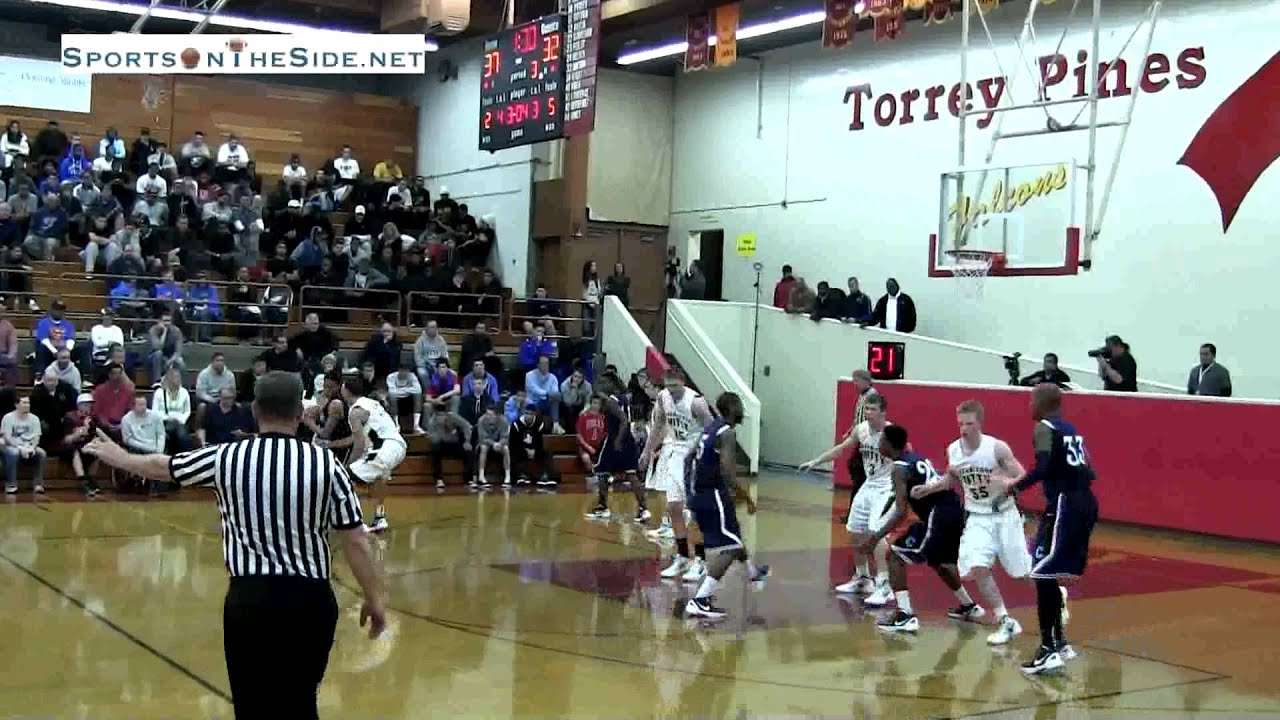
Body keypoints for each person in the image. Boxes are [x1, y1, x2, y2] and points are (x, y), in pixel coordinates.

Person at [83, 371, 387, 720]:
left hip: (251, 600)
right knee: (300, 702)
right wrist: (374, 598)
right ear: (299, 413)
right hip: (311, 601)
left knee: (252, 706)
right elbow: (356, 539)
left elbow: (164, 466)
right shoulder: (325, 464)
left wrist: (119, 456)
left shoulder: (228, 457)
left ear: (255, 410)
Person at [912, 399, 1031, 645]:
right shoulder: (954, 450)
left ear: (979, 423)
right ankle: (1005, 620)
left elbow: (1021, 475)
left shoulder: (996, 448)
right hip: (977, 516)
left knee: (1021, 572)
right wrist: (928, 489)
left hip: (1005, 515)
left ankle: (1053, 591)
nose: (964, 428)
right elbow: (951, 479)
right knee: (979, 568)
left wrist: (1007, 483)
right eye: (960, 423)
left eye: (969, 423)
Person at [1001, 383, 1100, 674]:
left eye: (1031, 399)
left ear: (1042, 403)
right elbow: (1089, 470)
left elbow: (1043, 467)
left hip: (1065, 504)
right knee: (1049, 574)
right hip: (1085, 502)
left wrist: (1014, 485)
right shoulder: (1071, 429)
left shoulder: (1044, 427)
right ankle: (1059, 644)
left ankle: (1047, 649)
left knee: (1042, 572)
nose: (1029, 405)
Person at [870, 425, 978, 633]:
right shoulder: (914, 457)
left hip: (939, 515)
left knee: (895, 556)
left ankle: (905, 615)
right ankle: (968, 605)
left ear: (889, 445)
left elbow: (901, 511)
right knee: (938, 561)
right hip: (952, 511)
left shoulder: (899, 468)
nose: (879, 444)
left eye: (882, 440)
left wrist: (875, 537)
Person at [800, 393, 895, 603]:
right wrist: (816, 461)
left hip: (887, 487)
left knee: (877, 534)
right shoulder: (861, 429)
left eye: (872, 410)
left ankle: (884, 585)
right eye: (867, 409)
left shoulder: (891, 432)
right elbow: (842, 449)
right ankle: (863, 578)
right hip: (869, 485)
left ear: (882, 412)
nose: (868, 413)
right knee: (854, 530)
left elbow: (909, 457)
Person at [683, 392, 770, 618]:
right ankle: (700, 599)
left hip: (700, 493)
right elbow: (728, 472)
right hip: (712, 494)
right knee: (730, 547)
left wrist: (690, 493)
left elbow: (688, 458)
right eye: (740, 405)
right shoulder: (727, 433)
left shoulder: (710, 428)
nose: (742, 410)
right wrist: (747, 497)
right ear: (731, 407)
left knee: (734, 534)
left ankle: (752, 571)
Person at [640, 368, 714, 580]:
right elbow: (658, 426)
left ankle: (700, 560)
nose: (671, 390)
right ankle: (682, 556)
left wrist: (708, 461)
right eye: (667, 386)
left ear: (683, 383)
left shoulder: (696, 402)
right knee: (673, 508)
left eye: (674, 386)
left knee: (695, 511)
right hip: (676, 452)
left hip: (694, 456)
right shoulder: (663, 397)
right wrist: (647, 451)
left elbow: (713, 432)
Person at [343, 378, 408, 533]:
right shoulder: (371, 402)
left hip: (384, 447)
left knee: (347, 476)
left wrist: (346, 465)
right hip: (398, 445)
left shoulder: (355, 412)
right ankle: (380, 517)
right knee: (380, 478)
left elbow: (358, 445)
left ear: (345, 391)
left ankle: (356, 522)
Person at [584, 393, 647, 522]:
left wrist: (618, 440)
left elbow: (624, 420)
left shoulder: (610, 403)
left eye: (596, 403)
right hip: (625, 440)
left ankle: (603, 507)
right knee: (629, 474)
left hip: (617, 440)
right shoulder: (615, 401)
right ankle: (643, 509)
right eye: (593, 403)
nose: (594, 406)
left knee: (602, 471)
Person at [2, 396, 47, 494]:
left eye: (28, 403)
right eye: (24, 403)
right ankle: (11, 484)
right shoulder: (8, 417)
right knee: (13, 453)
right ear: (17, 405)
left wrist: (32, 447)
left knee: (41, 453)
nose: (27, 405)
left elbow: (36, 437)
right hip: (12, 445)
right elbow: (7, 437)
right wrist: (20, 448)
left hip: (29, 446)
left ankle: (38, 484)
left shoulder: (35, 418)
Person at [306, 372, 354, 461]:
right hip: (329, 448)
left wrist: (309, 421)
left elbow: (325, 434)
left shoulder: (336, 404)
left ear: (339, 386)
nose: (326, 390)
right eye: (325, 387)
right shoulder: (327, 401)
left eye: (330, 387)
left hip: (338, 450)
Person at [61, 393, 100, 497]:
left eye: (90, 405)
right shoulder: (69, 417)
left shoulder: (93, 418)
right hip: (69, 447)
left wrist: (95, 440)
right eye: (86, 404)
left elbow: (95, 435)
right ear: (79, 405)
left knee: (98, 449)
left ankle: (91, 479)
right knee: (74, 450)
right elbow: (67, 439)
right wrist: (83, 430)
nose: (89, 407)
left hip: (85, 446)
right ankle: (82, 481)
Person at [424, 408, 473, 489]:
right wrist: (445, 432)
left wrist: (467, 441)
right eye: (439, 416)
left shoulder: (453, 417)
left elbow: (467, 426)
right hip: (441, 444)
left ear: (446, 414)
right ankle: (439, 479)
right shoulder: (432, 422)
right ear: (436, 416)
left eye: (443, 415)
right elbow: (433, 439)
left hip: (455, 444)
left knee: (469, 451)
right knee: (435, 450)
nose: (441, 418)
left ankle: (469, 480)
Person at [509, 402, 551, 485]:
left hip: (535, 449)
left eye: (530, 414)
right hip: (521, 448)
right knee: (512, 452)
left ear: (534, 414)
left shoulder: (540, 424)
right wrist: (526, 450)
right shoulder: (516, 424)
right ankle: (520, 476)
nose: (528, 416)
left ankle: (543, 475)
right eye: (526, 413)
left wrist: (534, 450)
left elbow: (540, 441)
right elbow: (513, 442)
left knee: (547, 451)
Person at [152, 366, 193, 453]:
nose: (178, 379)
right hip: (164, 422)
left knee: (183, 435)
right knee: (173, 430)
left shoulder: (184, 392)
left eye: (179, 377)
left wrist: (181, 419)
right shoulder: (159, 393)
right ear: (168, 379)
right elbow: (154, 412)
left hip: (180, 422)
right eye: (175, 377)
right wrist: (168, 418)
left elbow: (187, 411)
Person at [524, 355, 563, 433]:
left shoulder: (553, 377)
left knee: (556, 399)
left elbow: (555, 392)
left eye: (547, 363)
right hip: (534, 402)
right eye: (543, 363)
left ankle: (556, 425)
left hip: (547, 402)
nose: (545, 366)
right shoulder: (529, 375)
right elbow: (535, 390)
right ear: (538, 365)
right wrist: (547, 393)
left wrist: (552, 395)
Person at [474, 404, 510, 487]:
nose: (488, 416)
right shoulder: (481, 420)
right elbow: (482, 438)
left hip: (499, 443)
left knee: (506, 448)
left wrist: (500, 443)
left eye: (491, 415)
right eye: (487, 414)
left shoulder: (504, 421)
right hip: (486, 443)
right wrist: (493, 443)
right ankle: (481, 476)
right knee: (483, 448)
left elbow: (505, 436)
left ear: (497, 415)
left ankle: (508, 477)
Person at [575, 395, 608, 479]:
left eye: (598, 403)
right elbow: (579, 436)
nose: (595, 405)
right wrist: (588, 447)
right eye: (594, 403)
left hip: (599, 447)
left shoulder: (603, 417)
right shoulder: (583, 417)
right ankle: (593, 474)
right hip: (585, 446)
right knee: (586, 458)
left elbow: (606, 434)